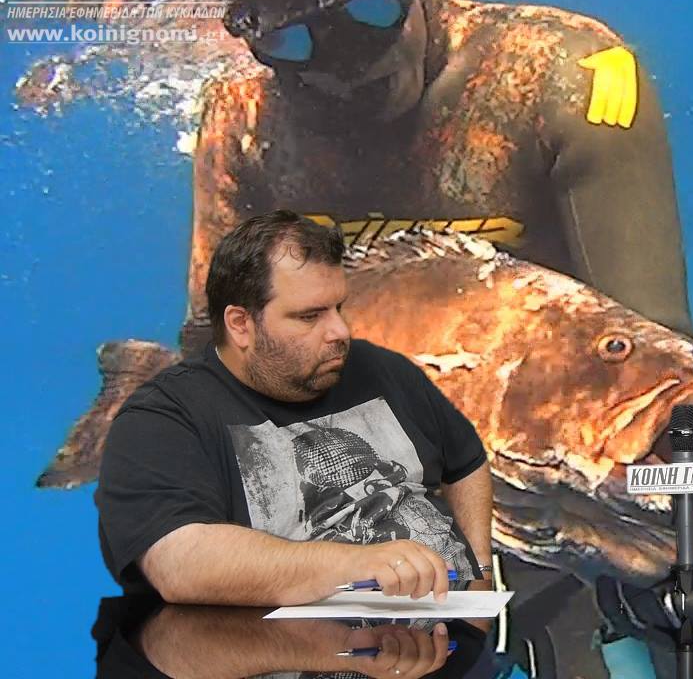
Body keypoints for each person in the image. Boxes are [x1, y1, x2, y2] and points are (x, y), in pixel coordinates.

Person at [182, 0, 693, 355]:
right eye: (290, 41)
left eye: (371, 12)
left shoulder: (568, 77)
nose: (346, 64)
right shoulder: (240, 114)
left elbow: (663, 366)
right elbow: (215, 350)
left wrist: (686, 466)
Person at [95, 210, 493, 605]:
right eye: (309, 316)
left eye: (338, 308)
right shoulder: (160, 418)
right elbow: (178, 564)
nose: (340, 331)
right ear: (240, 324)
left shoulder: (381, 367)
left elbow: (466, 461)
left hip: (447, 633)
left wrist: (480, 572)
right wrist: (357, 565)